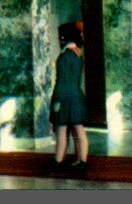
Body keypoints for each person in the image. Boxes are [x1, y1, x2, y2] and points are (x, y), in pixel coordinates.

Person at [49, 22, 89, 173]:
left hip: (64, 96)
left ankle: (58, 161)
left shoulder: (64, 56)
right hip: (76, 95)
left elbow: (61, 81)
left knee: (61, 130)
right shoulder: (78, 54)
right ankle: (82, 160)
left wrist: (55, 101)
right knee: (79, 129)